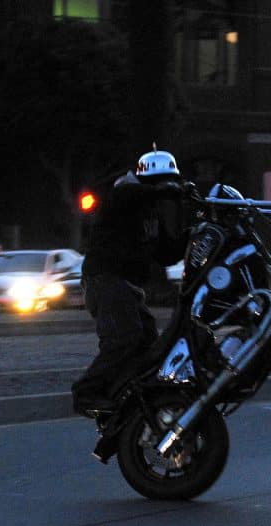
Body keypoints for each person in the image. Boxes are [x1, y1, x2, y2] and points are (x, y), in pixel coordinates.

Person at [71, 147, 194, 415]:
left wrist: (193, 231)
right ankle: (87, 393)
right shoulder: (123, 194)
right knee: (124, 337)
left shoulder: (150, 214)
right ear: (152, 181)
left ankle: (124, 391)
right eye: (164, 181)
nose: (167, 188)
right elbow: (135, 194)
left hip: (127, 286)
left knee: (148, 341)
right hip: (106, 279)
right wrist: (172, 190)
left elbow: (165, 254)